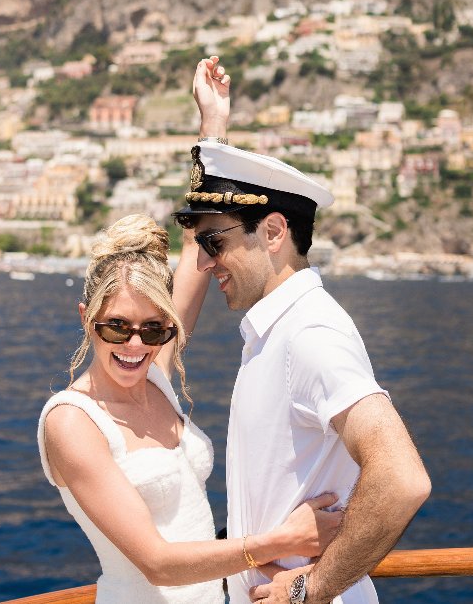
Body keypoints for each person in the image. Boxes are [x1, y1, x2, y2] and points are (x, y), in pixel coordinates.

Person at [174, 57, 432, 604]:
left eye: (214, 243)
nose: (204, 263)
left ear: (272, 232)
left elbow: (402, 478)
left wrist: (311, 587)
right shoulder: (275, 330)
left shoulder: (309, 333)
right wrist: (211, 135)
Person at [37, 213, 342, 604]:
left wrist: (209, 176)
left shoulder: (154, 377)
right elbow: (157, 563)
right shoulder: (73, 421)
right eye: (116, 326)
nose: (134, 345)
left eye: (153, 329)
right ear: (86, 319)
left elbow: (193, 244)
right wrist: (282, 541)